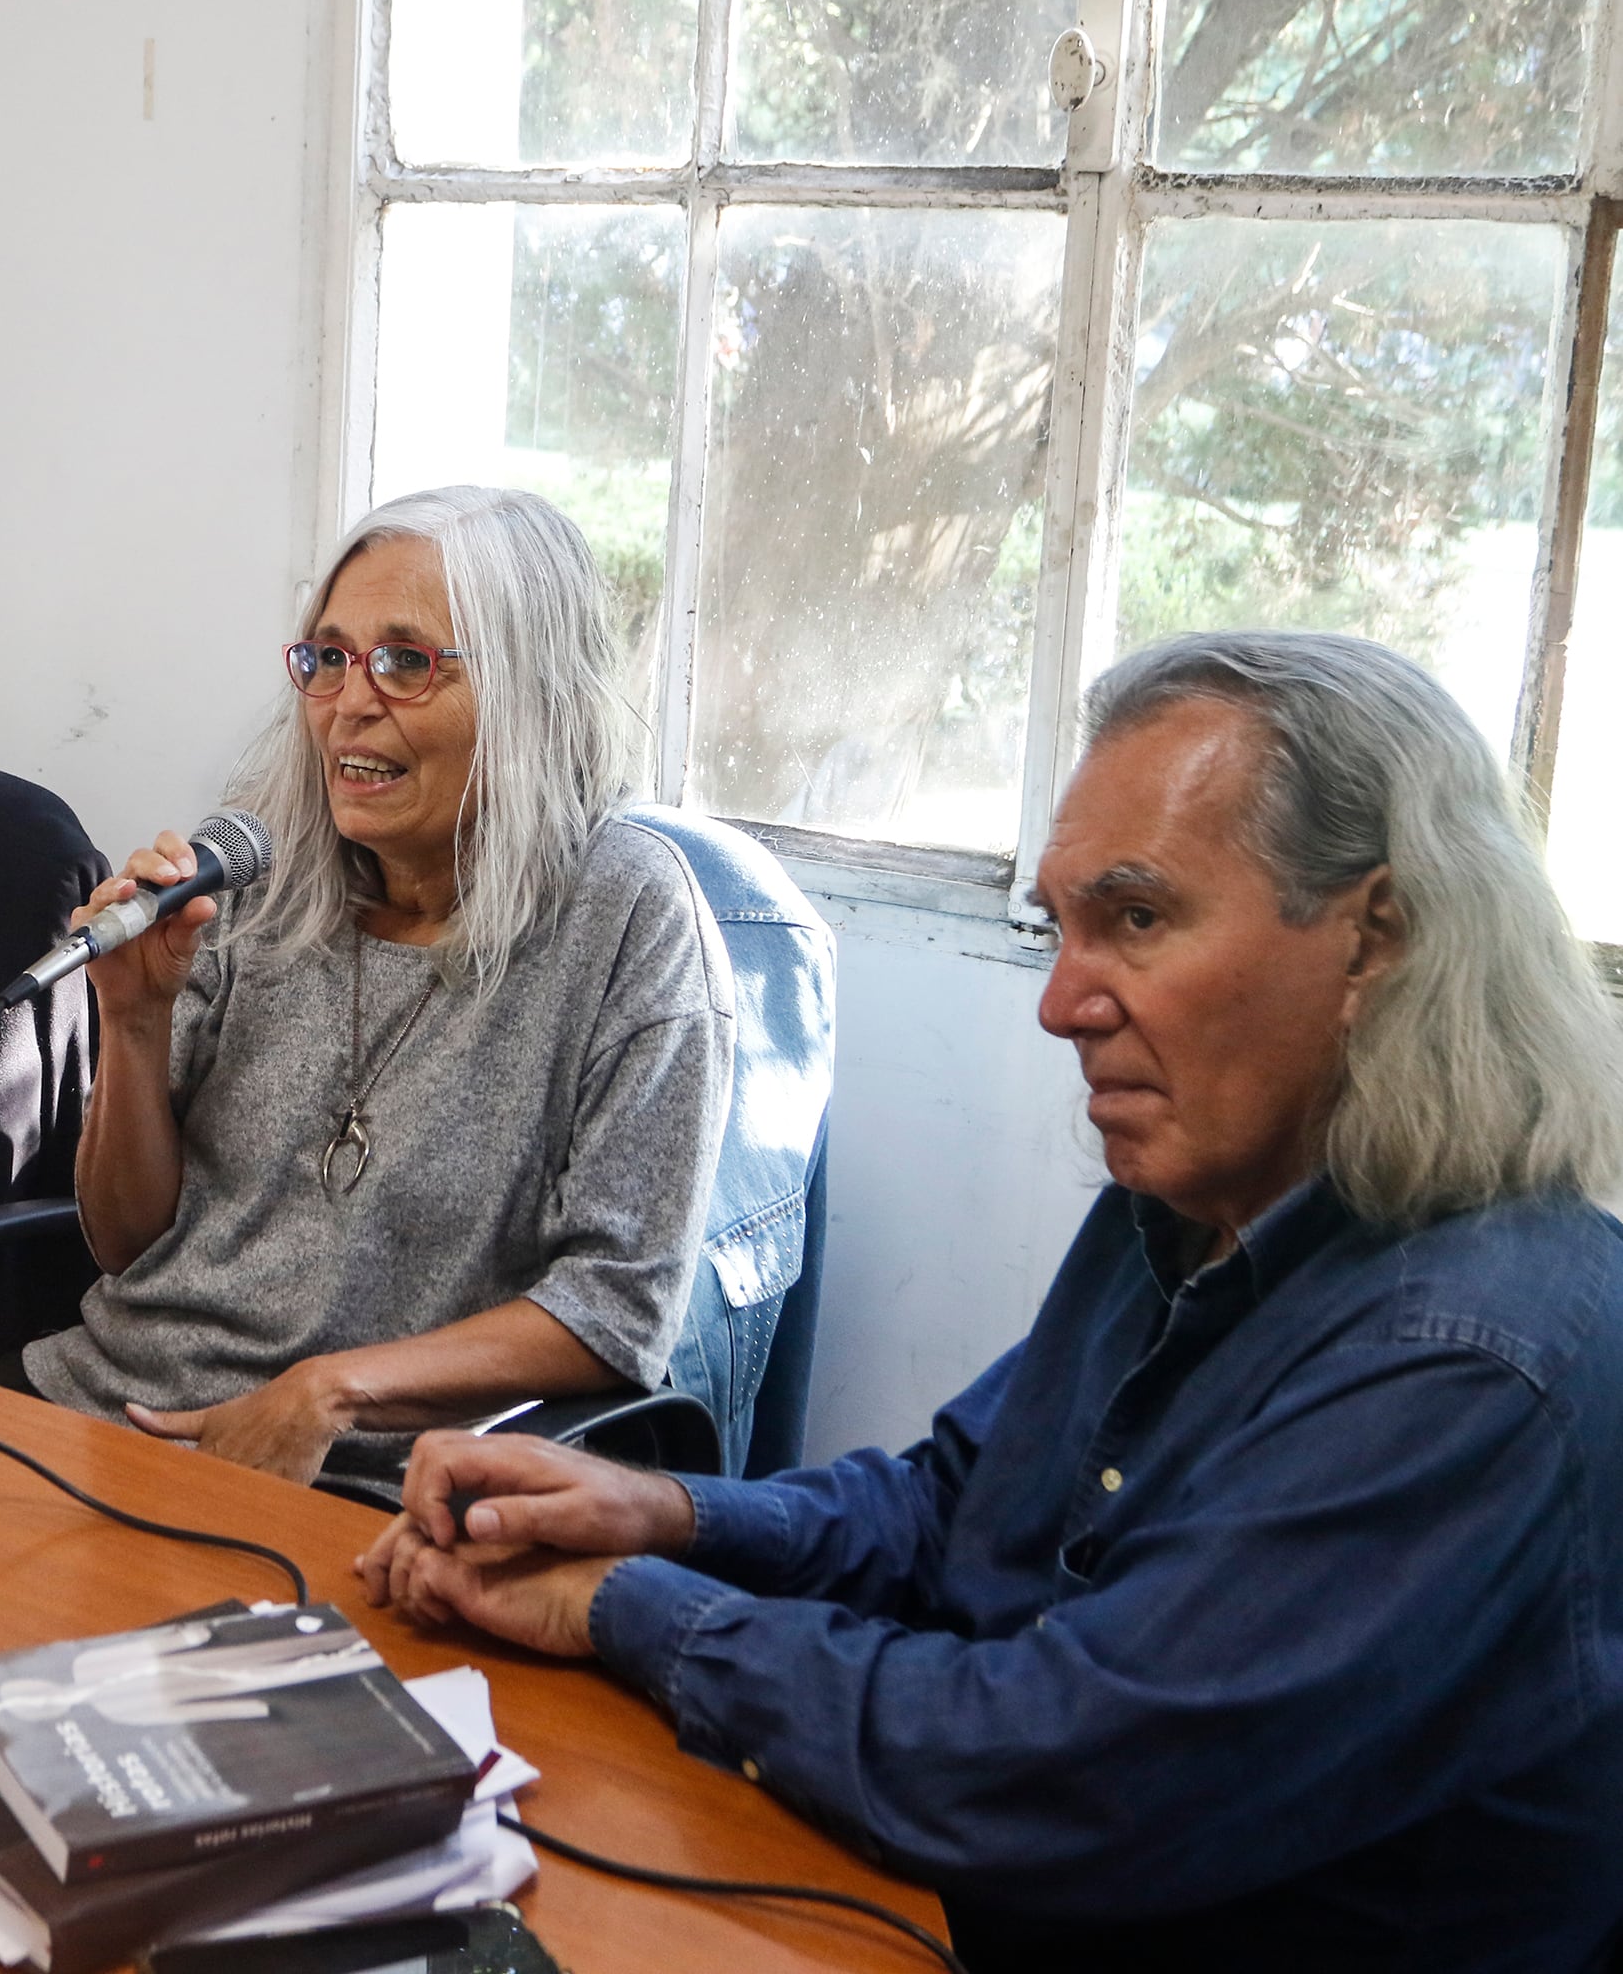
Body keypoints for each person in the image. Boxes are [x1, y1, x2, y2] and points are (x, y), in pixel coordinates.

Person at [359, 631, 1623, 1968]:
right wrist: (668, 1512)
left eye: (1136, 919)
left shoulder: (1479, 1356)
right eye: (1058, 926)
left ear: (1379, 940)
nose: (1064, 1003)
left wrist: (624, 1605)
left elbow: (1059, 1771)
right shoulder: (1195, 1199)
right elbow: (959, 1507)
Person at [3, 487, 736, 1487]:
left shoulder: (630, 917)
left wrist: (330, 1389)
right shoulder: (257, 870)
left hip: (355, 1479)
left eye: (405, 660)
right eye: (329, 657)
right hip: (104, 1402)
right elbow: (125, 1244)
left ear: (533, 694)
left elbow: (616, 1312)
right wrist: (133, 1022)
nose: (349, 701)